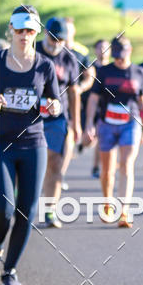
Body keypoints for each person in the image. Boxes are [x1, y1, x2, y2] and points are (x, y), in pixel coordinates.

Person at [0, 5, 61, 285]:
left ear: (36, 32)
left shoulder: (45, 65)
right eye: (20, 30)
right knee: (2, 209)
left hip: (33, 143)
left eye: (30, 30)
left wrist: (54, 106)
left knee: (27, 210)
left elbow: (56, 100)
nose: (24, 35)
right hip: (0, 144)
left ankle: (10, 270)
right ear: (11, 31)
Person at [83, 36, 143, 228]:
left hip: (131, 123)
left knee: (126, 165)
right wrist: (89, 123)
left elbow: (142, 101)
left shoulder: (139, 72)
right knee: (107, 171)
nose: (119, 60)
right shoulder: (104, 71)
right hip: (107, 123)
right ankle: (107, 203)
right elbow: (94, 99)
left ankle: (124, 212)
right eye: (116, 56)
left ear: (129, 51)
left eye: (122, 56)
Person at [36, 18, 80, 228]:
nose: (56, 43)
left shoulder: (69, 59)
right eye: (53, 38)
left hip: (57, 118)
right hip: (29, 116)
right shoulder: (32, 52)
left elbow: (73, 92)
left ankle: (50, 210)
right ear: (45, 34)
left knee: (55, 162)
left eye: (61, 39)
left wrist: (76, 123)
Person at [61, 17, 94, 189]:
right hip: (51, 102)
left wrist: (80, 88)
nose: (66, 33)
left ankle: (59, 175)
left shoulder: (81, 52)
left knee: (69, 140)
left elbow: (90, 76)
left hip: (73, 102)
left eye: (69, 30)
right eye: (63, 30)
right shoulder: (52, 48)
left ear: (73, 31)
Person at [90, 39, 110, 179]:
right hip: (91, 107)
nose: (102, 51)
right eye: (100, 48)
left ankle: (97, 167)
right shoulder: (90, 68)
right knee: (90, 140)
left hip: (107, 108)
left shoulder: (113, 69)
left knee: (101, 137)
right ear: (95, 50)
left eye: (105, 48)